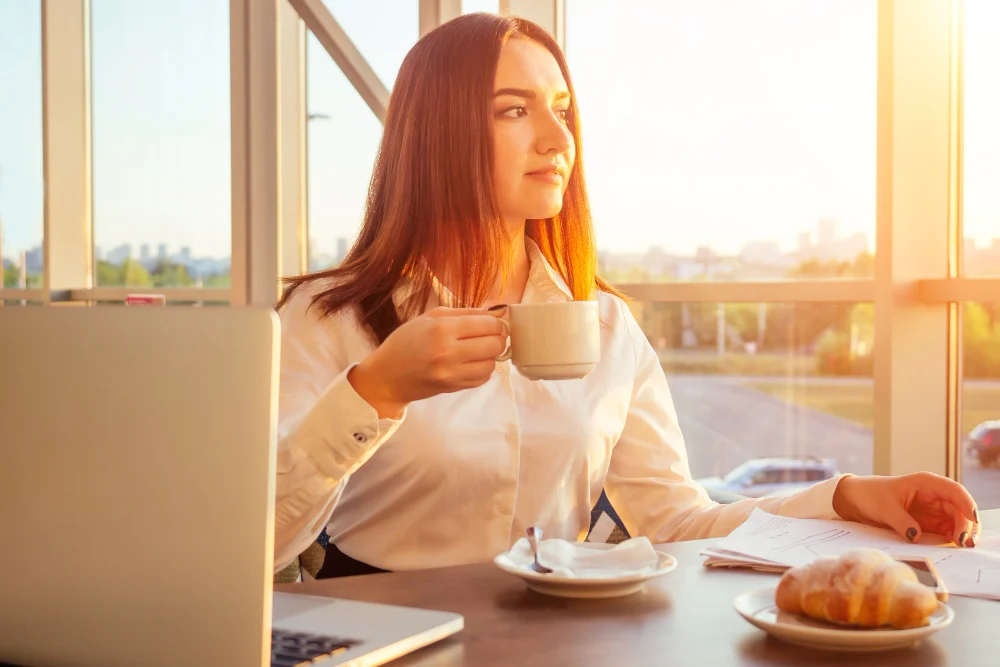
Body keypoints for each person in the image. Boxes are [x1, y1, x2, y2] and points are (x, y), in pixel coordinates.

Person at [272, 13, 980, 578]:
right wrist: (377, 391)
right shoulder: (327, 317)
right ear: (436, 133)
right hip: (388, 641)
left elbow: (676, 517)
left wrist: (848, 495)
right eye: (514, 111)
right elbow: (257, 542)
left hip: (555, 642)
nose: (558, 139)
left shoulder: (606, 324)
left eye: (562, 110)